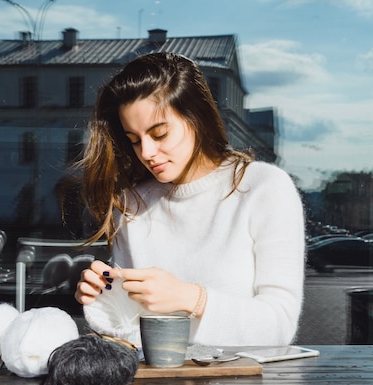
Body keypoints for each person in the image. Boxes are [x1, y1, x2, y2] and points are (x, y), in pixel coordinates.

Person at [73, 52, 305, 347]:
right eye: (134, 140)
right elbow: (129, 333)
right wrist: (104, 297)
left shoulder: (264, 188)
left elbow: (279, 327)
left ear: (197, 118)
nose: (146, 152)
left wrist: (190, 298)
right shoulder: (132, 205)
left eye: (159, 134)